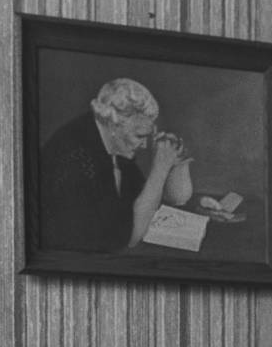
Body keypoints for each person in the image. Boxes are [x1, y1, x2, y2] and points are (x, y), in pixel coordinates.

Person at [37, 77, 193, 253]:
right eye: (139, 136)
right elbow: (128, 238)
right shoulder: (76, 159)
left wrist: (177, 163)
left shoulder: (112, 140)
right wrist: (160, 168)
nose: (144, 145)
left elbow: (174, 199)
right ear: (112, 124)